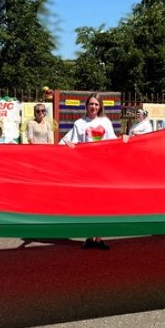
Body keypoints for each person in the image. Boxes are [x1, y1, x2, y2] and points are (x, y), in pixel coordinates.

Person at [60, 93, 115, 249]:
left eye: (96, 104)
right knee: (89, 203)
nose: (93, 107)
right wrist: (69, 145)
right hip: (86, 169)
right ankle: (89, 237)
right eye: (91, 104)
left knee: (102, 203)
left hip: (102, 169)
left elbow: (113, 142)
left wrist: (125, 140)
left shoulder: (105, 122)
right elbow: (66, 141)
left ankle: (99, 238)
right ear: (86, 105)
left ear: (100, 106)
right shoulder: (79, 123)